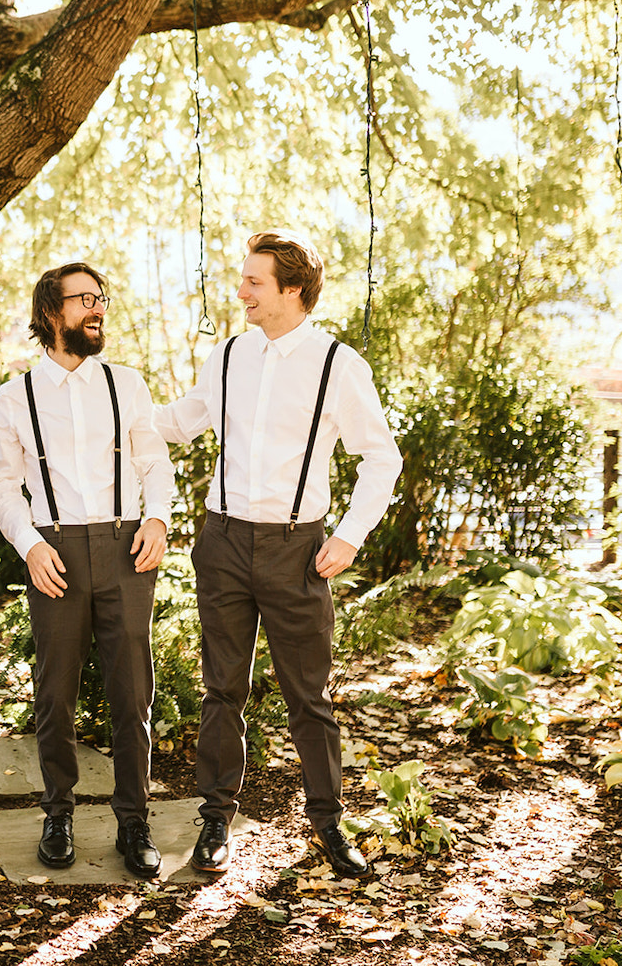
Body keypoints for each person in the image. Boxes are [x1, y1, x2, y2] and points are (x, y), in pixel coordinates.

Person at [155, 229, 402, 879]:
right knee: (221, 690)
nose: (241, 291)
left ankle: (326, 823)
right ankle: (214, 822)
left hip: (298, 551)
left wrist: (349, 535)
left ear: (291, 290)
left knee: (309, 696)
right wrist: (113, 413)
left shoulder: (337, 365)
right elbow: (181, 422)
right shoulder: (230, 355)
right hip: (224, 542)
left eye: (253, 282)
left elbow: (382, 457)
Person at [0, 262, 175, 878]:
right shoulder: (16, 397)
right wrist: (30, 545)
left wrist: (158, 520)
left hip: (126, 549)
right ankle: (58, 814)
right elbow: (2, 484)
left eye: (102, 299)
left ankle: (133, 820)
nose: (97, 309)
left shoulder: (128, 384)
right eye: (84, 300)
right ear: (50, 313)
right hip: (56, 553)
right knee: (55, 693)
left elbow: (153, 463)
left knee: (131, 692)